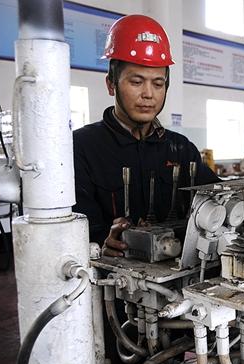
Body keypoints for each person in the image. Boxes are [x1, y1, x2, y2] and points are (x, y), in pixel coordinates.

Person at [73, 15, 219, 256]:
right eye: (136, 82)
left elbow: (217, 198)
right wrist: (100, 241)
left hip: (179, 271)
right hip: (109, 274)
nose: (148, 94)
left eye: (158, 84)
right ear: (111, 84)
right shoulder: (82, 147)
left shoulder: (181, 149)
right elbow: (72, 227)